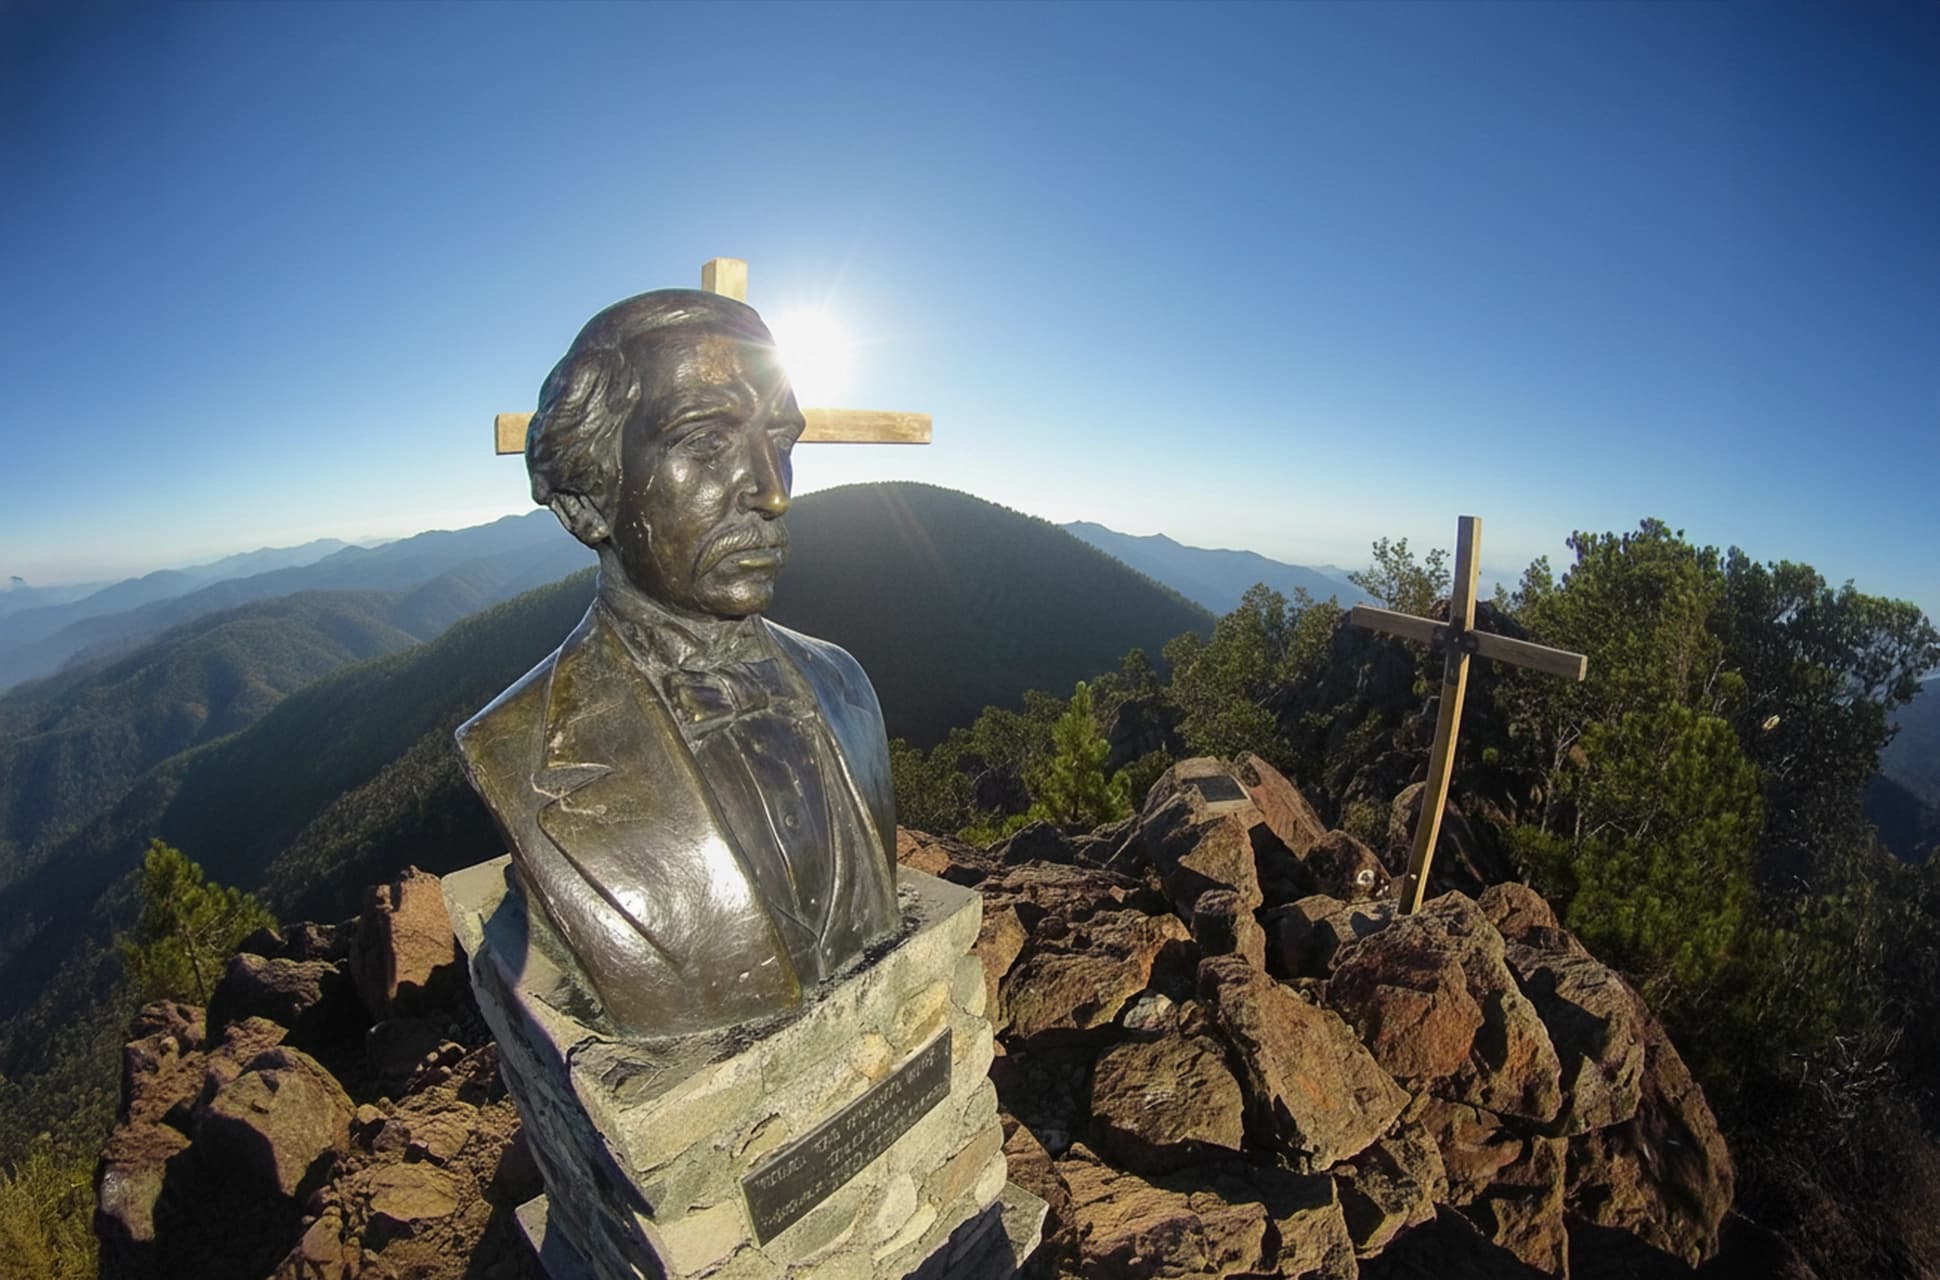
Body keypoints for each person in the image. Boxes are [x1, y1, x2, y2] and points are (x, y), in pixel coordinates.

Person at [456, 290, 900, 1037]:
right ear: (585, 502)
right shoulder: (516, 749)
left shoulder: (845, 685)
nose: (773, 490)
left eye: (781, 441)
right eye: (703, 444)